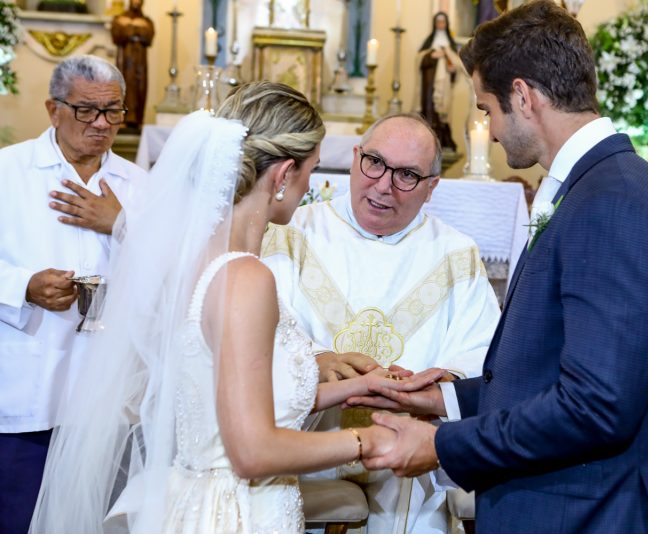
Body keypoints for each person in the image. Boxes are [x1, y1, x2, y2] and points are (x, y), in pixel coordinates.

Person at [28, 81, 443, 533]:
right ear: (283, 175)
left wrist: (354, 388)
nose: (310, 187)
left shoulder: (203, 258)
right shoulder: (246, 277)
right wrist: (367, 440)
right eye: (311, 171)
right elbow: (251, 451)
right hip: (235, 511)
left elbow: (234, 399)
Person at [351, 2, 648, 532]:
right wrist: (443, 399)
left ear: (523, 97)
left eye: (487, 109)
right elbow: (550, 368)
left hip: (592, 511)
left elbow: (596, 406)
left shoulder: (614, 201)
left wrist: (443, 446)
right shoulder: (596, 187)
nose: (487, 131)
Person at [261, 112, 500, 533]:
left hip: (409, 453)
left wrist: (442, 381)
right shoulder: (292, 234)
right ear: (355, 158)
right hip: (309, 445)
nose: (384, 185)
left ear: (431, 188)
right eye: (374, 162)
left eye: (407, 175)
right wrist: (317, 359)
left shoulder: (456, 253)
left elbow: (486, 353)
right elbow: (261, 331)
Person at [0, 54, 146, 534]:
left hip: (105, 401)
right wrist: (23, 285)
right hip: (27, 391)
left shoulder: (140, 186)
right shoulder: (8, 172)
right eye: (87, 110)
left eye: (113, 111)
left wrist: (121, 224)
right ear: (52, 109)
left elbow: (175, 277)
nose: (102, 124)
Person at [415, 12, 459, 152]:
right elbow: (419, 59)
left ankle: (442, 140)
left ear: (446, 24)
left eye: (443, 22)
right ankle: (426, 141)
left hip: (445, 86)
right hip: (429, 85)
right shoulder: (429, 43)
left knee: (442, 113)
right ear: (435, 24)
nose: (440, 25)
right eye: (438, 22)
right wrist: (431, 56)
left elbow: (456, 65)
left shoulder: (450, 45)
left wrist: (449, 60)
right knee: (429, 109)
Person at [110, 0, 154, 132]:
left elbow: (149, 36)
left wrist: (129, 26)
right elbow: (117, 34)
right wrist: (136, 27)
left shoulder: (147, 20)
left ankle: (138, 119)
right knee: (123, 85)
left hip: (140, 60)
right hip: (125, 58)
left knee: (140, 87)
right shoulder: (119, 18)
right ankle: (123, 117)